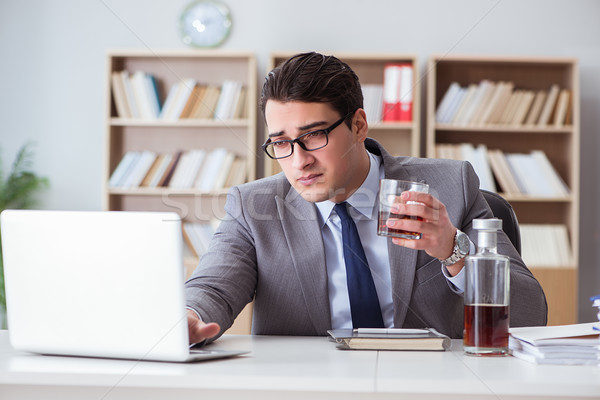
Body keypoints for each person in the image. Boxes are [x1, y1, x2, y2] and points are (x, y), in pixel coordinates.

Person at [185, 52, 547, 344]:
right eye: (281, 142)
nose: (299, 161)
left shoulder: (452, 185)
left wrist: (454, 250)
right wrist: (188, 317)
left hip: (427, 385)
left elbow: (530, 313)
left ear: (358, 125)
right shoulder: (253, 207)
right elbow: (213, 287)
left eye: (313, 136)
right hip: (309, 387)